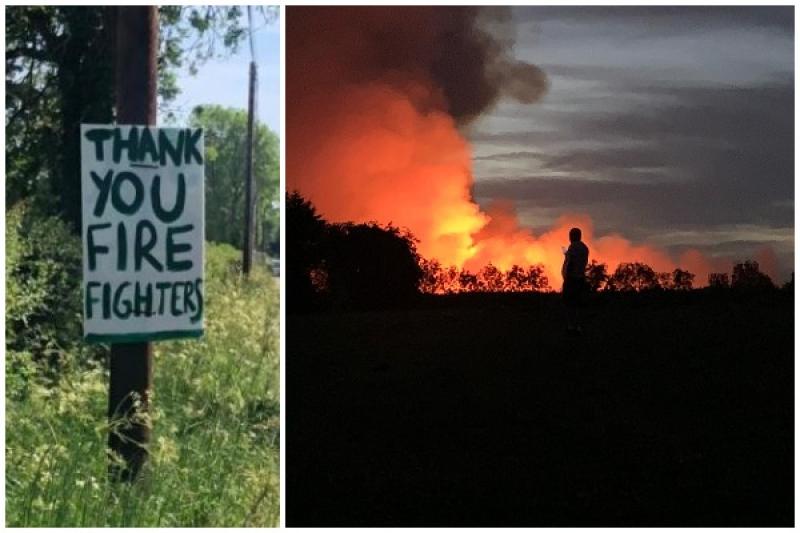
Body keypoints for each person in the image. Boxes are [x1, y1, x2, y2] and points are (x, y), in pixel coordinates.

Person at [562, 227, 589, 335]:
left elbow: (571, 262)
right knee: (578, 303)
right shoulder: (585, 248)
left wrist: (567, 276)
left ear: (573, 236)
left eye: (570, 235)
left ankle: (570, 326)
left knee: (569, 303)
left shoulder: (573, 247)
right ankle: (578, 326)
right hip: (581, 278)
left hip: (572, 279)